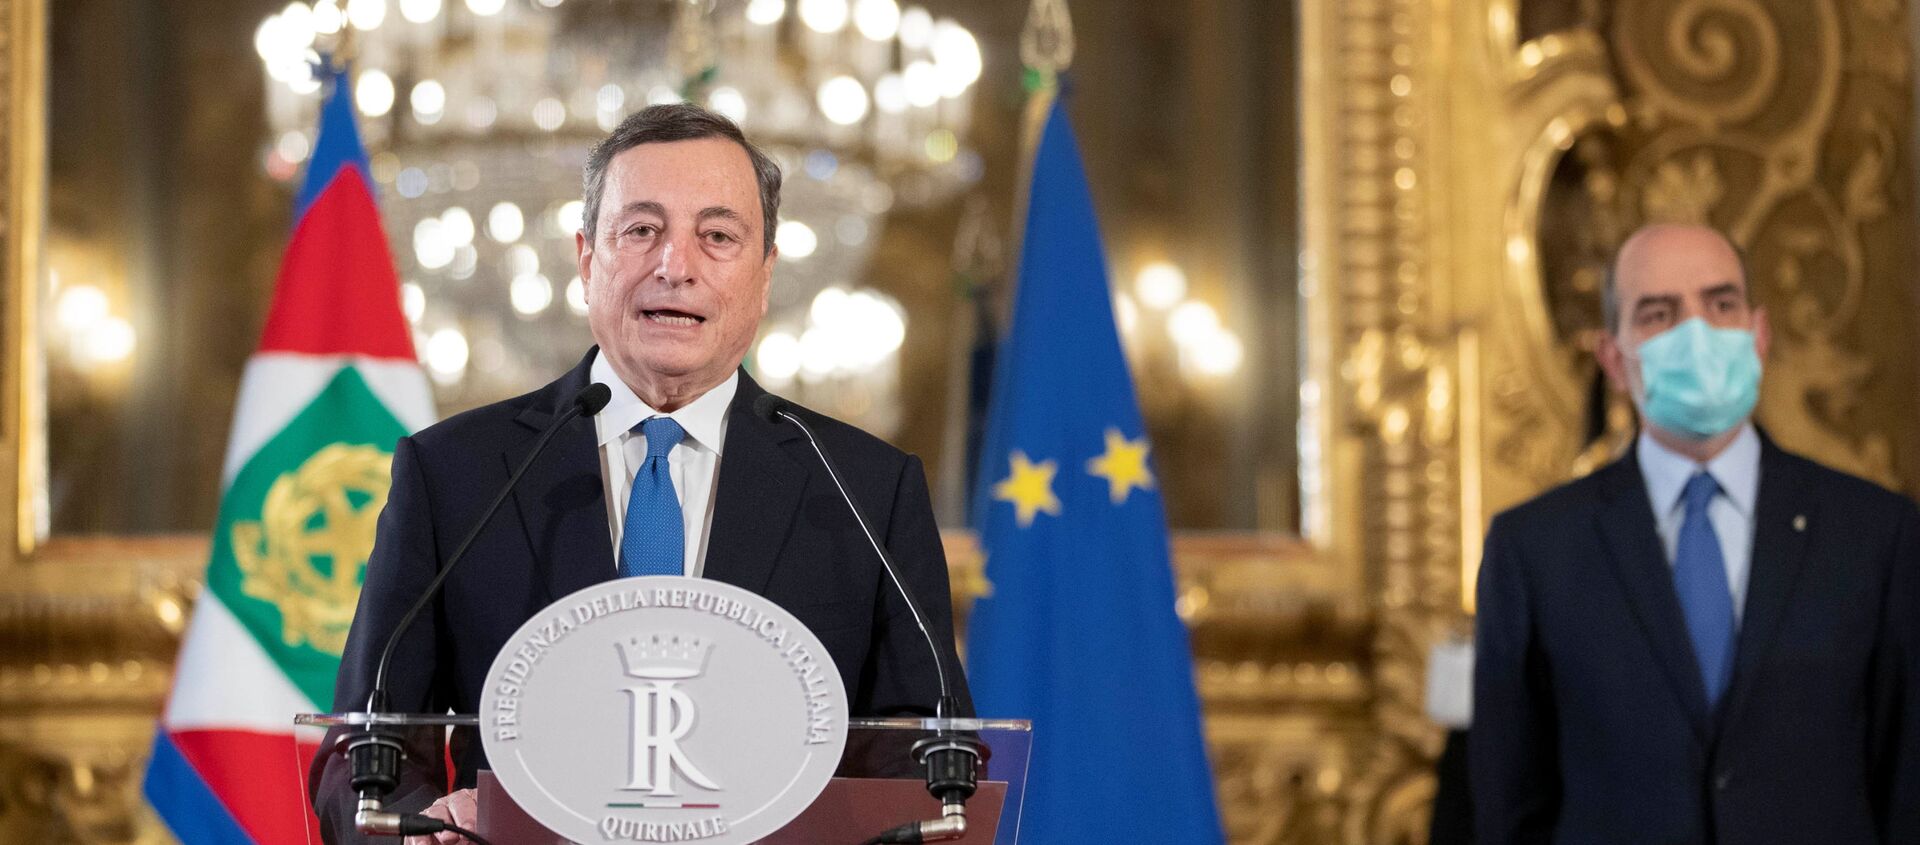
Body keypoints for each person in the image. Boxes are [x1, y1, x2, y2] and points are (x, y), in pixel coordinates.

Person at [314, 103, 971, 843]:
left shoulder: (865, 489)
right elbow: (361, 746)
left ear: (765, 275)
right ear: (588, 258)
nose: (675, 265)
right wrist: (420, 823)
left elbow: (930, 752)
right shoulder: (454, 473)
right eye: (641, 230)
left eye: (718, 236)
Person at [1470, 223, 1920, 843]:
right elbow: (1507, 805)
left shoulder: (1877, 534)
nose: (1697, 333)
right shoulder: (1534, 550)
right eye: (1658, 314)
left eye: (1721, 304)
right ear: (1613, 359)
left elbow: (1908, 786)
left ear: (1758, 336)